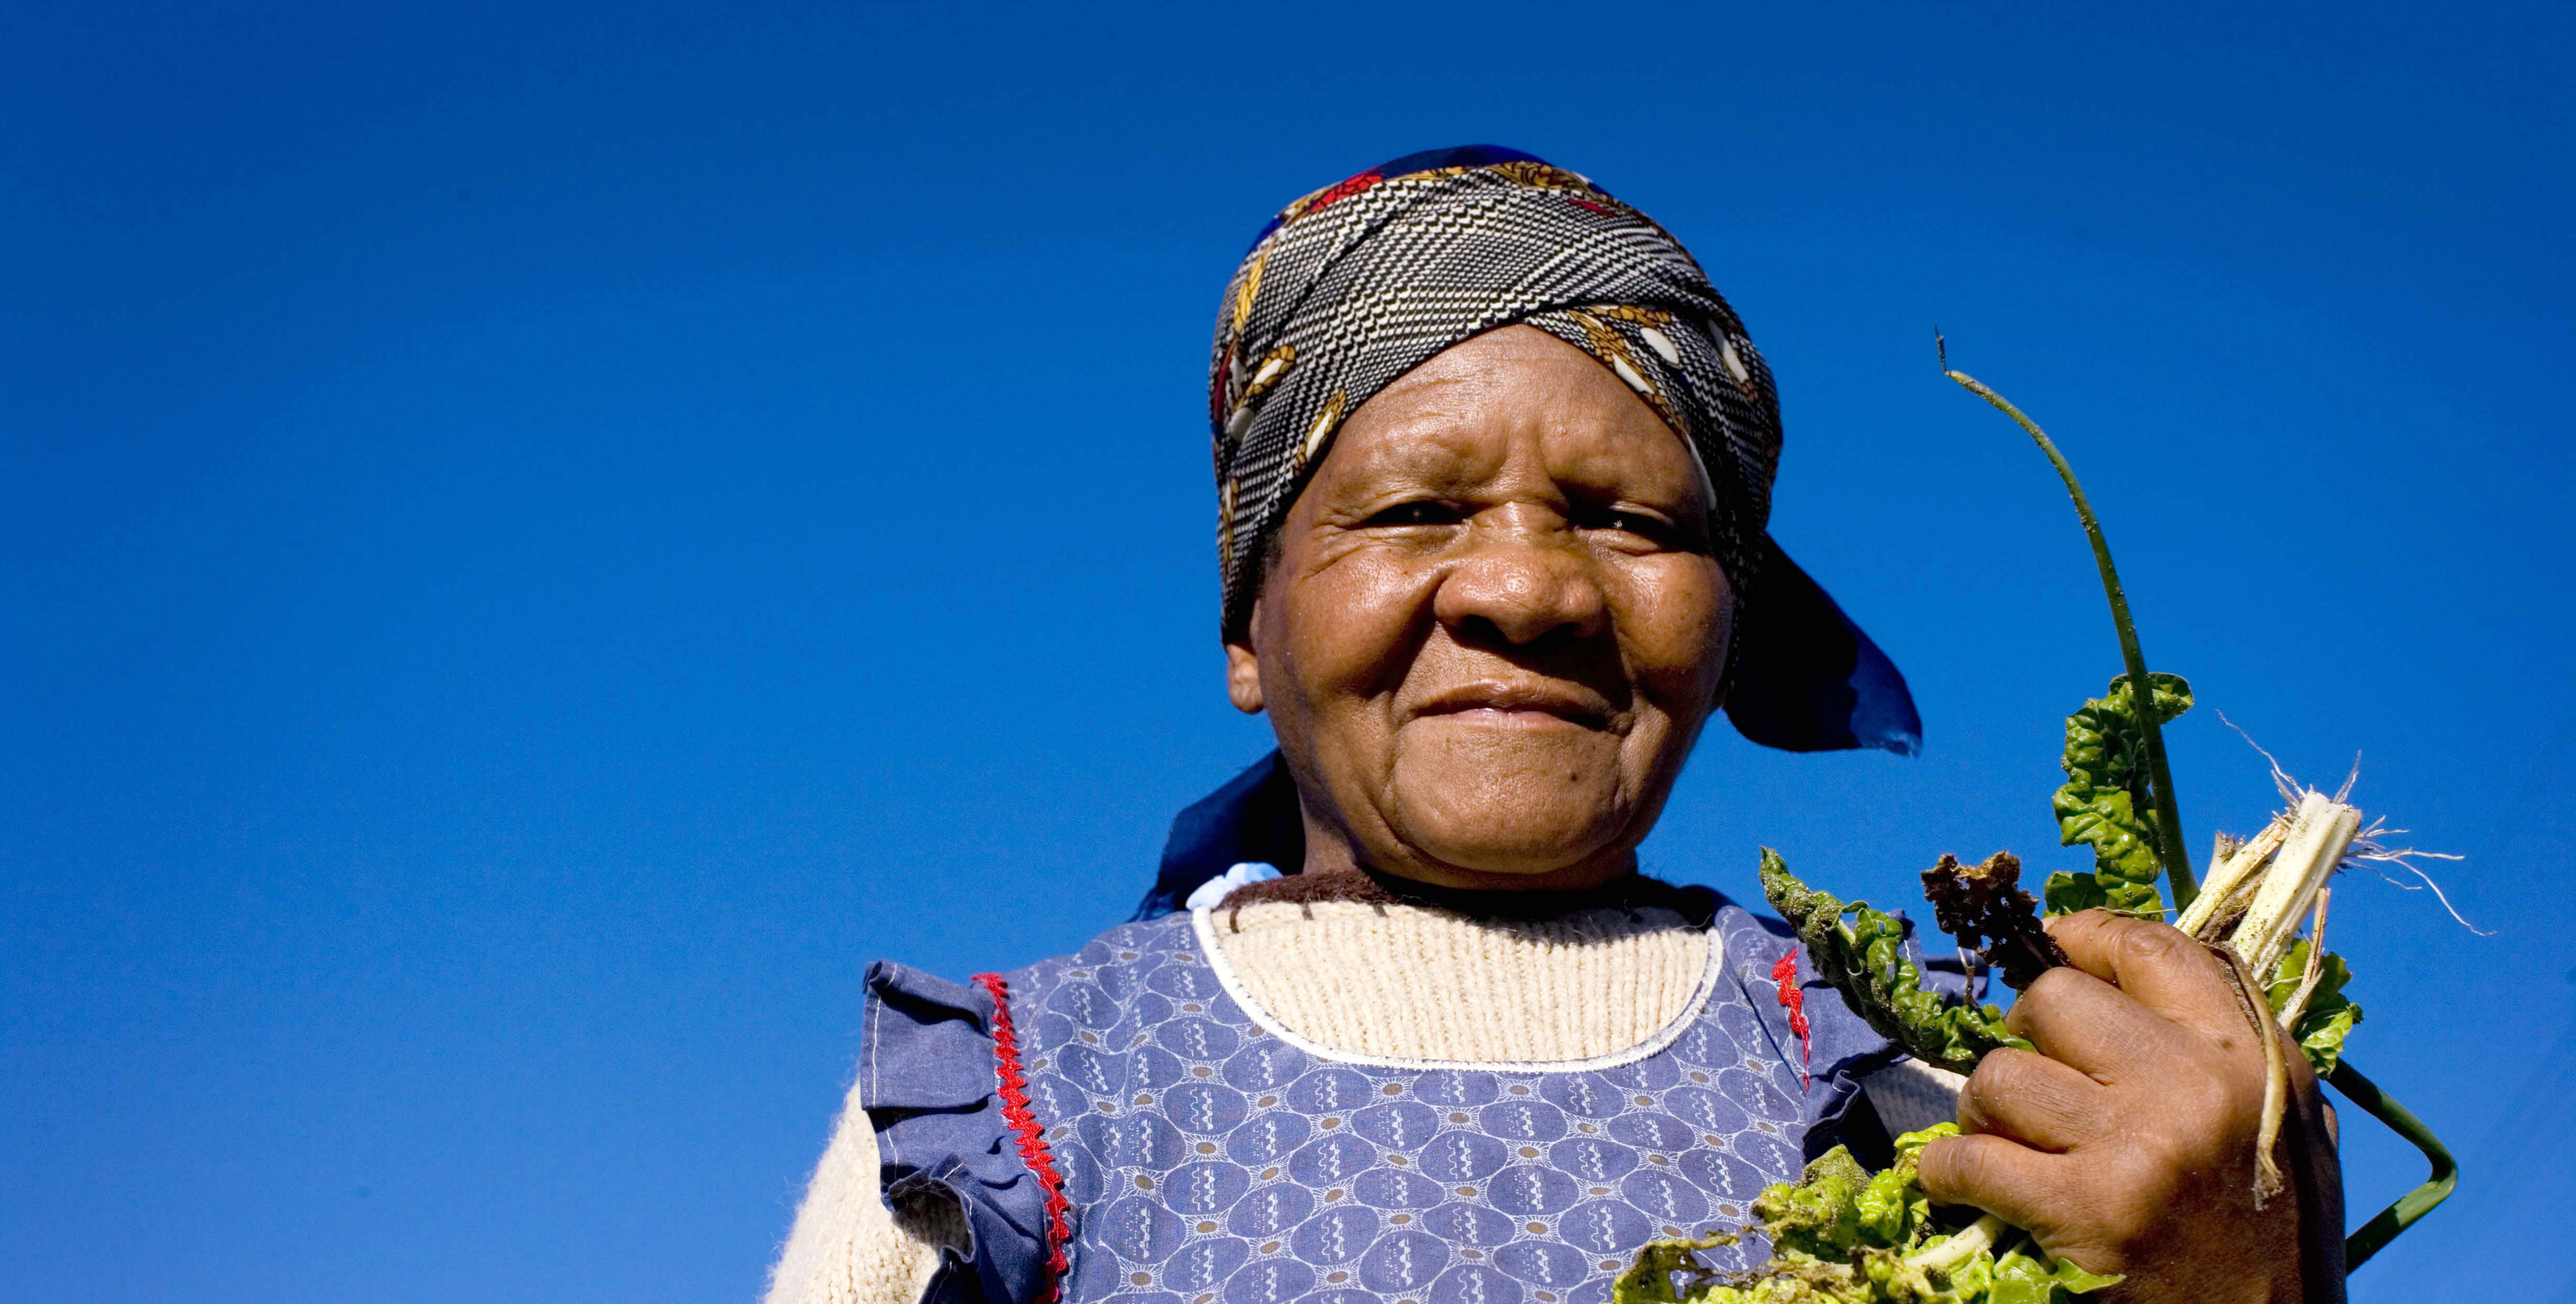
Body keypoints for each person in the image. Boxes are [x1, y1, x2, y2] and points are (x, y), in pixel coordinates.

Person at [762, 146, 2342, 1304]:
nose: (1526, 588)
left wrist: (2242, 1270)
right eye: (1413, 509)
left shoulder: (1926, 1079)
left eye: (1627, 522)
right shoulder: (1027, 1099)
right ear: (1250, 625)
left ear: (1727, 633)